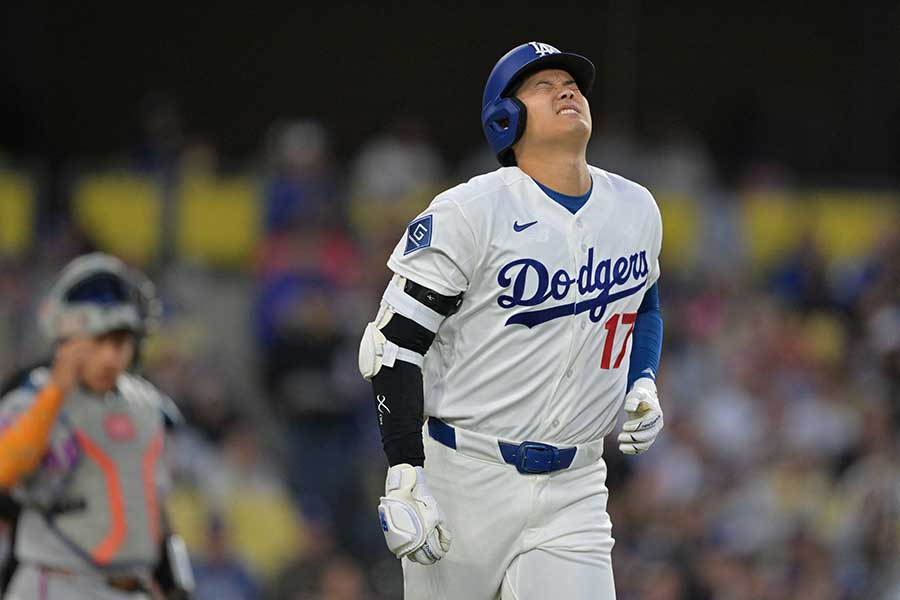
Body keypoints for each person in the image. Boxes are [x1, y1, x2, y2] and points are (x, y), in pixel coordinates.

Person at [358, 41, 665, 599]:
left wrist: (642, 379)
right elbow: (391, 347)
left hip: (576, 483)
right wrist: (404, 471)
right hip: (465, 475)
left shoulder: (636, 206)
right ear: (506, 117)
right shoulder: (469, 211)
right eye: (543, 86)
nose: (566, 90)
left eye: (570, 84)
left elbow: (645, 304)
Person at [0, 253, 195, 599]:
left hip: (130, 587)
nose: (109, 357)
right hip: (58, 582)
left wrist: (177, 583)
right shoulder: (29, 399)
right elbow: (4, 469)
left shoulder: (146, 408)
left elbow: (152, 507)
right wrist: (56, 392)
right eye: (98, 340)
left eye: (120, 342)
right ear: (69, 338)